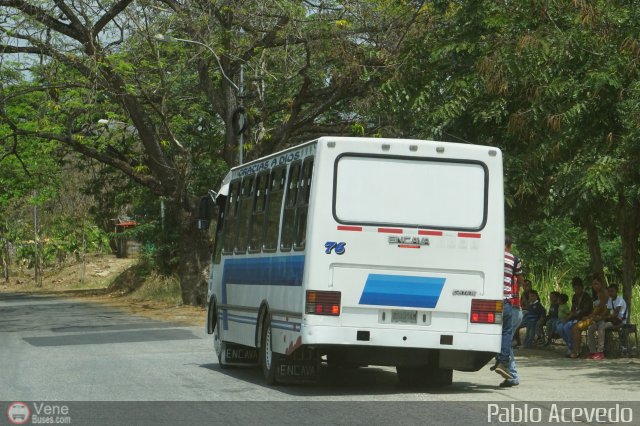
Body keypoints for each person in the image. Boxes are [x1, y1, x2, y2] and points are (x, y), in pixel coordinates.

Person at [493, 235, 524, 387]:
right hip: (508, 303)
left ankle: (510, 372)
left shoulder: (491, 256)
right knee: (505, 338)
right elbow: (522, 281)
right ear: (510, 245)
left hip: (504, 304)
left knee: (505, 338)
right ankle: (505, 367)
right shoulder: (514, 260)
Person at [570, 275, 607, 358]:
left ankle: (576, 351)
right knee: (575, 327)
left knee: (576, 327)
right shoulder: (596, 294)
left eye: (596, 284)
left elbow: (602, 309)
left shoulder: (603, 293)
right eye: (593, 284)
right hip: (593, 317)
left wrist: (589, 317)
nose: (595, 286)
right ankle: (591, 351)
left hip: (600, 319)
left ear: (601, 283)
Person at [586, 284, 627, 360]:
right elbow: (606, 312)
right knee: (591, 328)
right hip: (610, 320)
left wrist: (601, 317)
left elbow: (614, 315)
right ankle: (592, 351)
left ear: (616, 291)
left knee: (601, 327)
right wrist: (597, 317)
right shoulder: (610, 301)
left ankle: (600, 352)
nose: (610, 293)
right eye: (609, 291)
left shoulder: (620, 300)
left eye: (612, 291)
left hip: (619, 322)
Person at [557, 277, 592, 357]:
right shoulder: (574, 297)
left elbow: (586, 310)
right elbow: (573, 309)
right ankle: (570, 346)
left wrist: (574, 314)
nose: (577, 290)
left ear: (582, 288)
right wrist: (570, 316)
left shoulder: (586, 297)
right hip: (575, 317)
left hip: (584, 317)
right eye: (575, 289)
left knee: (567, 327)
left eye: (579, 288)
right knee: (559, 327)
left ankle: (574, 348)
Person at [514, 279, 533, 347]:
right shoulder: (523, 294)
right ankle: (517, 341)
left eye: (527, 285)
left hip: (530, 314)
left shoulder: (533, 294)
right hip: (523, 311)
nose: (526, 287)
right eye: (524, 286)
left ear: (531, 286)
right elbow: (521, 304)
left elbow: (528, 307)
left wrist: (524, 297)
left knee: (516, 324)